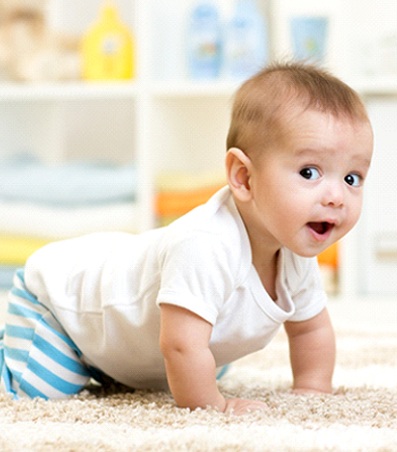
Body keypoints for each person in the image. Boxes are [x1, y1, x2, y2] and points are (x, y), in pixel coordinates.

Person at [0, 62, 373, 414]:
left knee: (201, 361)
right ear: (243, 177)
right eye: (309, 172)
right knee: (45, 388)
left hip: (133, 349)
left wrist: (312, 389)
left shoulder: (293, 252)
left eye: (352, 178)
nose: (336, 196)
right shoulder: (205, 244)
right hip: (63, 310)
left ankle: (117, 368)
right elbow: (179, 345)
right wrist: (212, 406)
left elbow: (310, 328)